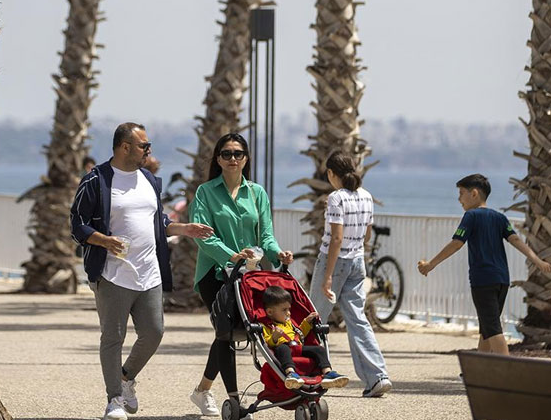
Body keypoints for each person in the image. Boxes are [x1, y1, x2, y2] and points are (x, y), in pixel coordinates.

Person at [70, 122, 214, 420]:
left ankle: (125, 380)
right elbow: (77, 224)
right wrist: (104, 241)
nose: (149, 151)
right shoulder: (97, 180)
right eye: (144, 146)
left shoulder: (149, 179)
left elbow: (157, 221)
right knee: (113, 337)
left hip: (149, 273)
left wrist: (184, 228)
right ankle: (114, 401)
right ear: (125, 147)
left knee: (154, 332)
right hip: (113, 273)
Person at [189, 132, 294, 418]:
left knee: (236, 331)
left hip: (249, 276)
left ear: (246, 158)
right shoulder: (205, 192)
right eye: (226, 154)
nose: (232, 159)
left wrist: (278, 254)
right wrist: (231, 255)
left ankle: (201, 390)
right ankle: (234, 399)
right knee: (225, 334)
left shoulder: (257, 193)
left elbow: (267, 236)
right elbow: (202, 235)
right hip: (214, 274)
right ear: (218, 159)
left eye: (238, 153)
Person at [417, 174, 551, 356]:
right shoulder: (500, 218)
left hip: (483, 280)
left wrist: (431, 264)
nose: (459, 199)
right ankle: (478, 371)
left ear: (474, 193)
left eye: (461, 193)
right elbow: (516, 241)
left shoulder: (470, 216)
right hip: (502, 280)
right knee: (487, 328)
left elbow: (456, 243)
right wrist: (537, 261)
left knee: (493, 329)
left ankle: (507, 372)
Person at [309, 152, 393, 398]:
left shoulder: (336, 198)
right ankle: (377, 376)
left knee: (314, 318)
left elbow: (336, 238)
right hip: (358, 261)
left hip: (334, 262)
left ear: (332, 174)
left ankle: (310, 374)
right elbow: (367, 236)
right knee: (358, 320)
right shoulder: (366, 196)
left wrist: (327, 276)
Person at [261, 286, 349, 390]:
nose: (288, 313)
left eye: (289, 309)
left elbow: (300, 333)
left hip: (297, 347)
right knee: (282, 348)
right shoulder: (267, 326)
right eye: (284, 310)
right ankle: (291, 373)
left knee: (319, 349)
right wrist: (274, 337)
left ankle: (328, 373)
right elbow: (267, 343)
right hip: (283, 350)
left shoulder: (288, 323)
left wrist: (307, 322)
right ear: (270, 312)